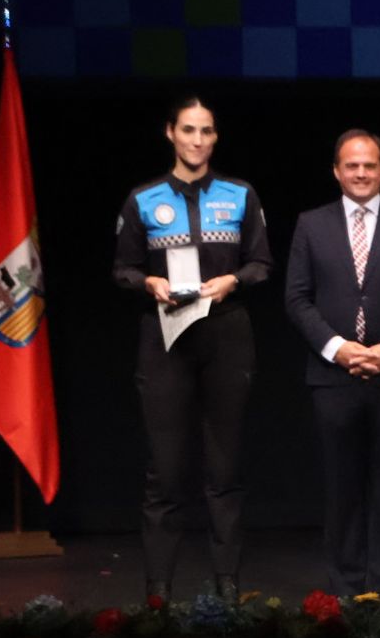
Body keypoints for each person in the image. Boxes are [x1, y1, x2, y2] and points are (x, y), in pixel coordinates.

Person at [113, 97, 271, 602]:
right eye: (188, 130)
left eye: (206, 131)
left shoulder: (239, 194)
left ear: (215, 137)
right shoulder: (143, 198)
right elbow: (122, 269)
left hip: (226, 334)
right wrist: (149, 283)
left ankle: (228, 584)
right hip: (166, 336)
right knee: (164, 470)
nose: (197, 140)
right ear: (170, 133)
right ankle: (158, 590)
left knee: (224, 469)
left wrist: (233, 280)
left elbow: (261, 264)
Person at [285, 130, 380, 597]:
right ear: (336, 171)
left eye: (369, 165)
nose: (361, 173)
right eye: (352, 165)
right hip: (333, 376)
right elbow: (297, 298)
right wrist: (337, 347)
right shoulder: (311, 225)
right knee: (341, 491)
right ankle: (346, 593)